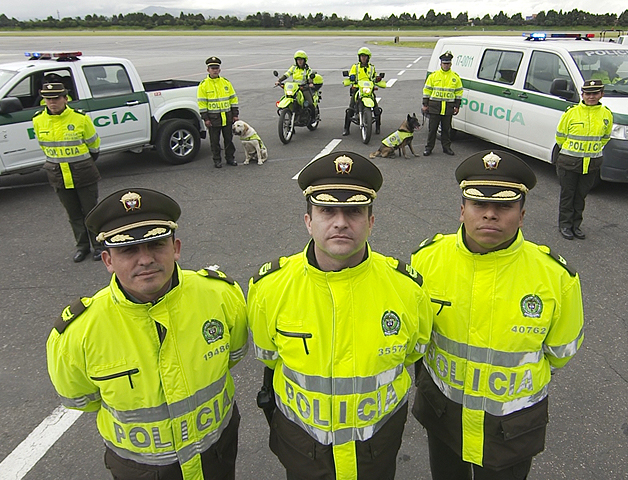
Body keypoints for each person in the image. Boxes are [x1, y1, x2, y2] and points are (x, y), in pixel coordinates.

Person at [247, 151, 433, 480]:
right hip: (304, 449)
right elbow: (269, 355)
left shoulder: (407, 289)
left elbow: (413, 353)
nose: (341, 222)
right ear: (308, 221)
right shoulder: (269, 288)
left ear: (371, 221)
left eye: (354, 212)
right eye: (327, 210)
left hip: (377, 447)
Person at [46, 188, 249, 480]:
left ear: (176, 247)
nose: (145, 259)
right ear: (107, 260)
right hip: (140, 468)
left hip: (216, 450)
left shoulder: (221, 295)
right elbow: (81, 398)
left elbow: (233, 354)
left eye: (155, 244)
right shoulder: (77, 333)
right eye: (128, 249)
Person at [410, 150, 584, 480]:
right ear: (462, 211)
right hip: (445, 414)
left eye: (504, 206)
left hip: (513, 426)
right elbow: (417, 340)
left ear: (521, 216)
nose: (490, 215)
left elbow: (561, 352)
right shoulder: (426, 261)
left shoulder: (556, 277)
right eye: (479, 205)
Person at [32, 82, 101, 263]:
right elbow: (44, 146)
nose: (52, 102)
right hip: (57, 174)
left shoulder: (80, 118)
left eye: (56, 98)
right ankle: (82, 246)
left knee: (91, 212)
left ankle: (99, 246)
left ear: (65, 99)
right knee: (73, 214)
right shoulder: (38, 120)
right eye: (48, 99)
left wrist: (82, 162)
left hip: (83, 172)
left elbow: (93, 145)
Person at [555, 79, 612, 240]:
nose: (591, 97)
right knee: (568, 195)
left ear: (601, 94)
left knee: (580, 196)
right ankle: (565, 225)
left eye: (595, 93)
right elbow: (560, 136)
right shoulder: (571, 112)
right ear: (582, 95)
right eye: (588, 93)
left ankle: (576, 225)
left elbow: (605, 137)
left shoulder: (606, 113)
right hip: (569, 162)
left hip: (591, 164)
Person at [197, 56, 239, 168]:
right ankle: (217, 160)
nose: (215, 70)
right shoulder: (204, 85)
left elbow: (233, 99)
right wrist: (205, 118)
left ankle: (230, 158)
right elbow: (202, 103)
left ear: (219, 69)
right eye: (212, 68)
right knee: (215, 142)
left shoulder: (225, 82)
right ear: (208, 70)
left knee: (229, 140)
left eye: (216, 68)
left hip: (227, 117)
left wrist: (235, 115)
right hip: (213, 118)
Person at [422, 51, 463, 157]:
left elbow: (458, 93)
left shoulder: (455, 77)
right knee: (432, 130)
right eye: (444, 63)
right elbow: (427, 90)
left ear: (451, 64)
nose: (446, 65)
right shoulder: (433, 76)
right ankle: (429, 148)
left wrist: (457, 106)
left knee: (446, 130)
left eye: (448, 63)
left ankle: (446, 148)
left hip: (448, 108)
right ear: (440, 64)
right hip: (435, 107)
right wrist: (425, 104)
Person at [343, 47, 386, 136]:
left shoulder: (371, 68)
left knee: (376, 108)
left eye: (365, 56)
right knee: (350, 108)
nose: (363, 58)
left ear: (368, 57)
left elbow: (374, 76)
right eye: (362, 56)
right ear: (359, 57)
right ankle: (346, 128)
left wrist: (378, 78)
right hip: (358, 88)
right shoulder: (355, 67)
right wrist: (351, 77)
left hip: (368, 90)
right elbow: (351, 74)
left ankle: (378, 127)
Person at [276, 50, 318, 120]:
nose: (300, 61)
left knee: (310, 103)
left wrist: (310, 83)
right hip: (295, 88)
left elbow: (310, 77)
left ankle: (313, 118)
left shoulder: (307, 69)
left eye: (301, 60)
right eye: (298, 60)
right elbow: (287, 74)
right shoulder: (294, 67)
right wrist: (279, 81)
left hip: (304, 88)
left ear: (304, 60)